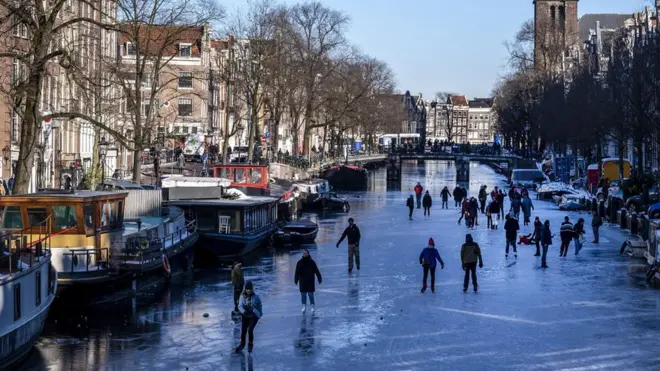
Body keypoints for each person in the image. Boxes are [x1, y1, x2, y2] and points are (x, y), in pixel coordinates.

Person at [235, 281, 263, 353]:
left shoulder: (256, 297)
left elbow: (260, 306)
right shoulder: (242, 296)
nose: (248, 290)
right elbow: (240, 306)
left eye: (250, 289)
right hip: (245, 315)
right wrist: (243, 311)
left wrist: (260, 314)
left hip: (253, 316)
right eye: (247, 289)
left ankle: (250, 345)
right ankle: (242, 344)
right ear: (245, 289)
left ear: (252, 289)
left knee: (250, 330)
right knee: (243, 330)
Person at [294, 249, 322, 314]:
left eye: (306, 253)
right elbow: (297, 272)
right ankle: (303, 306)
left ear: (308, 254)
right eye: (304, 253)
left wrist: (319, 278)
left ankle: (312, 306)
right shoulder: (299, 262)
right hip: (303, 281)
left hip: (310, 281)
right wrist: (296, 279)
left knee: (310, 295)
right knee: (303, 295)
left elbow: (316, 270)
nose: (305, 254)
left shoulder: (312, 262)